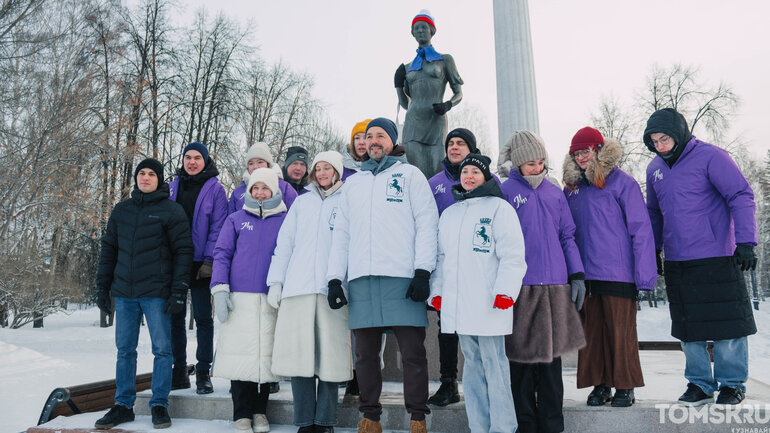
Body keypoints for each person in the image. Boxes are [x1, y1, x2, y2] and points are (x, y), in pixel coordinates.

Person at [327, 117, 438, 433]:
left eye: (380, 136)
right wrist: (336, 278)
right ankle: (370, 418)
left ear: (392, 141)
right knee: (364, 355)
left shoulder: (409, 175)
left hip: (401, 277)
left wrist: (422, 271)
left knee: (412, 354)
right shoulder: (354, 183)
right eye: (368, 136)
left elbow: (427, 224)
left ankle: (417, 418)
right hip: (362, 279)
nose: (373, 141)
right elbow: (342, 234)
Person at [644, 108, 757, 406]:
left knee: (727, 323)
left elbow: (740, 195)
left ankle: (731, 384)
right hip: (679, 260)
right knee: (688, 326)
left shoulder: (711, 157)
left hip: (717, 255)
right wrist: (653, 249)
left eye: (665, 138)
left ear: (679, 134)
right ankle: (699, 383)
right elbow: (653, 212)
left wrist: (746, 240)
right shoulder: (653, 168)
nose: (660, 145)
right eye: (654, 141)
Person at [429, 153, 525, 433]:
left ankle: (503, 426)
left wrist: (506, 290)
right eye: (465, 172)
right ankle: (479, 426)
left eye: (475, 172)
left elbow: (512, 255)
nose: (468, 176)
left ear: (486, 176)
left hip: (489, 303)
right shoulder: (450, 213)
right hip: (460, 304)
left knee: (494, 365)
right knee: (471, 366)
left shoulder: (499, 209)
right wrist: (438, 292)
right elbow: (441, 258)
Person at [561, 127, 657, 408]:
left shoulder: (622, 183)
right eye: (576, 153)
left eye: (586, 151)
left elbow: (641, 230)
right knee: (592, 335)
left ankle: (625, 386)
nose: (581, 157)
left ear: (599, 151)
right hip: (586, 277)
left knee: (620, 332)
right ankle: (600, 384)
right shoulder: (572, 190)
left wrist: (644, 275)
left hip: (618, 273)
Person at [94, 158, 192, 430]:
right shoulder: (121, 210)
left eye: (151, 174)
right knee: (125, 351)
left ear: (159, 179)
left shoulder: (172, 211)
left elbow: (183, 252)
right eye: (141, 173)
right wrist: (103, 286)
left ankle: (159, 404)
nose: (145, 177)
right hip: (125, 293)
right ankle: (123, 405)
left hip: (157, 293)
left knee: (163, 350)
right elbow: (109, 250)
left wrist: (179, 290)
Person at [500, 131, 586, 433]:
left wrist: (576, 274)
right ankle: (524, 423)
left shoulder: (554, 192)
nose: (537, 169)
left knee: (550, 364)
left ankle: (552, 423)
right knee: (521, 362)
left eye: (540, 163)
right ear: (518, 164)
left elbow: (567, 236)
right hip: (520, 288)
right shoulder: (505, 191)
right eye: (530, 164)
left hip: (554, 287)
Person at [267, 151, 353, 433]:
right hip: (299, 288)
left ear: (338, 172)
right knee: (300, 358)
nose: (322, 173)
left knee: (329, 357)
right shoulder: (301, 203)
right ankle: (305, 421)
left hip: (331, 289)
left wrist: (342, 282)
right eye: (318, 168)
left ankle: (325, 421)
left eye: (328, 168)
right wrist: (276, 282)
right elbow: (285, 245)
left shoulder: (348, 201)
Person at [210, 168, 287, 433]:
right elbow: (221, 254)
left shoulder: (286, 220)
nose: (260, 192)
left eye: (265, 188)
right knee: (240, 357)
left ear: (274, 190)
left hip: (271, 298)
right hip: (239, 298)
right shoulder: (235, 219)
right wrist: (220, 288)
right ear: (250, 191)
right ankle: (241, 413)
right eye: (255, 188)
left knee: (265, 358)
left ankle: (260, 411)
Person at [425, 127, 497, 407]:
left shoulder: (487, 180)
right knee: (447, 326)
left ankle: (487, 382)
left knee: (481, 323)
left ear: (472, 149)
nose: (455, 147)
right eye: (451, 143)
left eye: (461, 143)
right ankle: (448, 383)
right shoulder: (435, 183)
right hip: (448, 265)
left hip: (479, 264)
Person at [168, 142, 228, 394]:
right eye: (188, 158)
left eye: (197, 158)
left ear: (205, 161)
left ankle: (204, 371)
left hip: (201, 263)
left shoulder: (215, 189)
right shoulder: (172, 185)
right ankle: (179, 370)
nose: (192, 162)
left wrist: (209, 261)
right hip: (175, 261)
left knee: (203, 318)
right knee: (175, 317)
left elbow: (218, 226)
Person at [395, 10, 463, 178]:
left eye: (424, 27)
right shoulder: (408, 67)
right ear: (412, 33)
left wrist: (448, 104)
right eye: (416, 28)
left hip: (436, 120)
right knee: (414, 172)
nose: (420, 31)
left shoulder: (445, 60)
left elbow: (459, 92)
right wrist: (397, 86)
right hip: (413, 121)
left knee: (437, 169)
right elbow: (405, 104)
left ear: (432, 30)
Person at [228, 142, 298, 214]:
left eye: (260, 162)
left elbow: (296, 215)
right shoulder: (237, 193)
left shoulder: (285, 188)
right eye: (251, 163)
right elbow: (230, 220)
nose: (255, 167)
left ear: (268, 164)